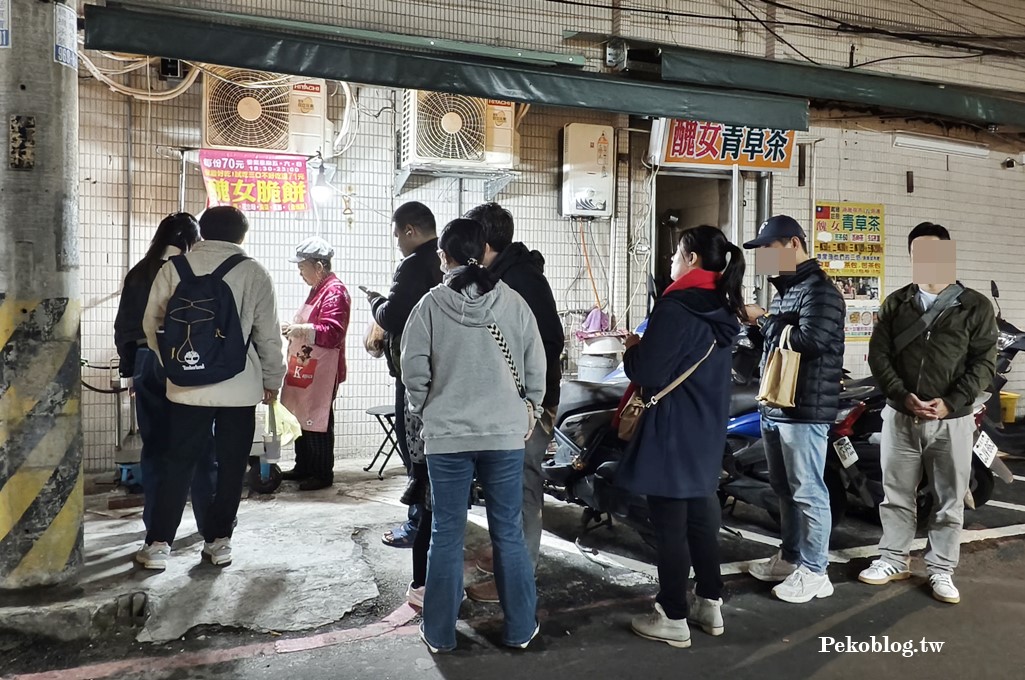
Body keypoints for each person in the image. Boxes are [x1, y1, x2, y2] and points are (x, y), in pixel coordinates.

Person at [401, 218, 545, 653]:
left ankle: (440, 634)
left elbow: (413, 371)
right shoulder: (514, 303)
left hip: (447, 438)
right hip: (503, 434)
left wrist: (426, 408)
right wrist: (530, 410)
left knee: (446, 532)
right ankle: (520, 629)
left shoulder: (428, 307)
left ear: (443, 258)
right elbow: (535, 365)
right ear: (483, 253)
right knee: (508, 530)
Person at [615, 226, 745, 648]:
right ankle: (710, 602)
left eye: (675, 254)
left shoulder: (677, 306)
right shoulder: (724, 306)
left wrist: (632, 348)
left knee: (670, 526)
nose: (670, 262)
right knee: (702, 519)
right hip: (706, 430)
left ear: (690, 258)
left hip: (671, 429)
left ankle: (672, 614)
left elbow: (648, 371)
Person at [136, 206, 285, 570]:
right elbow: (268, 335)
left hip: (186, 389)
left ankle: (158, 545)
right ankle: (219, 542)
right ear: (241, 236)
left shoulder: (175, 268)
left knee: (178, 462)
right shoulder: (254, 272)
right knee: (232, 465)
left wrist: (175, 366)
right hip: (239, 388)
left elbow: (151, 323)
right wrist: (271, 379)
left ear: (202, 232)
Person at [859, 222, 996, 604]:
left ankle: (941, 569)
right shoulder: (897, 303)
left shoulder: (975, 306)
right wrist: (902, 396)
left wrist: (952, 401)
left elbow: (984, 362)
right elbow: (880, 356)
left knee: (950, 499)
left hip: (952, 421)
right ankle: (892, 559)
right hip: (901, 417)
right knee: (896, 494)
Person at [462, 202, 564, 603]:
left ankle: (517, 577)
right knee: (506, 487)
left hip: (525, 406)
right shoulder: (501, 274)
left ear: (483, 242)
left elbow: (547, 344)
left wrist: (526, 399)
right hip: (510, 402)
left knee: (522, 486)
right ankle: (509, 555)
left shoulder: (520, 280)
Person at [742, 215, 846, 603]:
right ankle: (790, 558)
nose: (765, 258)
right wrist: (756, 324)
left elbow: (811, 340)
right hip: (778, 404)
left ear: (794, 244)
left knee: (808, 490)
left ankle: (816, 571)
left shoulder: (820, 291)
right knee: (784, 488)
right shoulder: (788, 290)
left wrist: (763, 319)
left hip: (805, 408)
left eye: (769, 249)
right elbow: (777, 340)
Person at [113, 212, 216, 534]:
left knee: (155, 447)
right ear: (189, 241)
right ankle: (211, 525)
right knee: (199, 444)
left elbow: (124, 328)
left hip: (146, 361)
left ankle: (157, 529)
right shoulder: (193, 271)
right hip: (187, 362)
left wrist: (131, 372)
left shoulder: (139, 272)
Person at [363, 201, 442, 549]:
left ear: (410, 230)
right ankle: (432, 520)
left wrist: (375, 301)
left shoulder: (412, 265)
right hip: (443, 370)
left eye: (398, 235)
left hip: (413, 372)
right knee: (432, 452)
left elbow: (393, 316)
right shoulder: (444, 260)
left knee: (414, 451)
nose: (397, 242)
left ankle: (417, 526)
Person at [280, 236, 351, 491]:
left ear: (319, 266)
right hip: (307, 366)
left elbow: (332, 333)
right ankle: (304, 466)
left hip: (323, 370)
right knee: (302, 415)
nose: (300, 272)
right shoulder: (318, 289)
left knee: (317, 419)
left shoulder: (335, 291)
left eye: (302, 267)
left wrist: (298, 329)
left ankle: (321, 473)